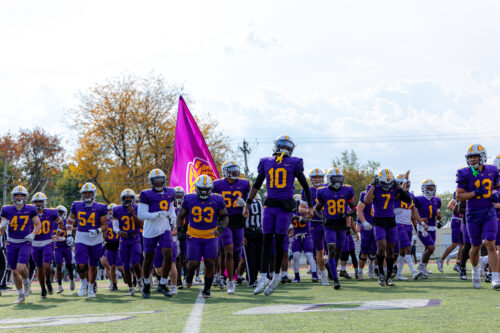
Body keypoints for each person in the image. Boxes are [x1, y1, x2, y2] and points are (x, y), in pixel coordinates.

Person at [243, 135, 313, 296]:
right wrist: (247, 204)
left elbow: (304, 186)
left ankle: (275, 276)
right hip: (271, 205)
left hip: (283, 206)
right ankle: (265, 277)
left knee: (278, 242)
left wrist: (310, 206)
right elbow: (257, 184)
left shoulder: (278, 162)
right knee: (267, 241)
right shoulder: (275, 162)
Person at [176, 175, 229, 298]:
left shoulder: (217, 199)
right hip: (194, 235)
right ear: (196, 188)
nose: (204, 192)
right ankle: (189, 275)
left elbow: (224, 217)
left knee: (210, 262)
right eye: (202, 189)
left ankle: (207, 289)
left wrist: (220, 229)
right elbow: (180, 216)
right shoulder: (189, 198)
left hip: (210, 236)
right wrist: (180, 230)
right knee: (193, 263)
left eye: (207, 189)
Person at [456, 144, 500, 289]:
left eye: (475, 157)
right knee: (475, 247)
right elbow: (459, 196)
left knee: (490, 244)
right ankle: (475, 272)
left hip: (488, 211)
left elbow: (496, 186)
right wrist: (475, 193)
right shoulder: (464, 173)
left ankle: (495, 278)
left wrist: (495, 194)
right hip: (473, 213)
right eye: (470, 158)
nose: (473, 160)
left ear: (482, 157)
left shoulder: (492, 170)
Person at [361, 169, 412, 287]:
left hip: (391, 221)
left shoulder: (393, 188)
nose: (387, 186)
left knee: (390, 249)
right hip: (378, 221)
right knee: (381, 247)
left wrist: (399, 186)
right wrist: (373, 185)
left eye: (389, 184)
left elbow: (407, 199)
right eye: (384, 183)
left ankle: (388, 276)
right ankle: (380, 274)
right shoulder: (374, 187)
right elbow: (367, 201)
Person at [314, 168, 357, 290]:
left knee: (338, 252)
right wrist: (323, 217)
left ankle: (331, 268)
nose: (338, 181)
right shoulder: (323, 191)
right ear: (330, 179)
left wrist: (347, 215)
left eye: (340, 179)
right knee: (331, 250)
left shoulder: (347, 190)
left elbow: (354, 208)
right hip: (330, 225)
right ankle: (336, 280)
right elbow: (316, 209)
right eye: (335, 179)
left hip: (341, 225)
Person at [213, 161, 250, 294]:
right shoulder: (216, 185)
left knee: (235, 252)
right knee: (227, 251)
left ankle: (230, 273)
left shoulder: (244, 184)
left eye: (236, 169)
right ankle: (229, 281)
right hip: (224, 220)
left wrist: (245, 204)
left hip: (238, 220)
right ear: (225, 171)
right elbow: (211, 202)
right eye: (232, 170)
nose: (235, 172)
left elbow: (249, 203)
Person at [138, 169, 176, 298]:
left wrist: (173, 217)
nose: (159, 182)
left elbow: (170, 208)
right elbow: (141, 214)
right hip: (150, 229)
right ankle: (147, 284)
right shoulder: (145, 194)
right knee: (148, 257)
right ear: (151, 182)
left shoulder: (170, 192)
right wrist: (158, 214)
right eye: (156, 180)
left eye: (161, 180)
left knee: (169, 254)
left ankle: (163, 283)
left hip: (164, 226)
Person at [0, 186, 41, 304]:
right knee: (14, 271)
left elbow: (38, 224)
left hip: (25, 242)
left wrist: (33, 234)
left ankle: (27, 281)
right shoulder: (6, 210)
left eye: (21, 195)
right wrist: (3, 225)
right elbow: (1, 232)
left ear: (25, 197)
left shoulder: (31, 209)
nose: (19, 197)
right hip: (11, 242)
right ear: (13, 196)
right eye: (17, 195)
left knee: (21, 267)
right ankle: (20, 295)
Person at [67, 183, 108, 298]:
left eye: (89, 193)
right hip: (81, 237)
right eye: (85, 193)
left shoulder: (101, 207)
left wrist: (98, 230)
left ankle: (91, 288)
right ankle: (83, 284)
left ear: (94, 194)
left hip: (95, 238)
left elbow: (105, 225)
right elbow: (70, 222)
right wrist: (69, 235)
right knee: (81, 264)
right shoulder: (76, 205)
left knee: (93, 265)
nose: (87, 195)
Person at [300, 168, 328, 285]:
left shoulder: (328, 189)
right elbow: (300, 209)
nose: (317, 179)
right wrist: (310, 210)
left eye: (319, 177)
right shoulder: (306, 190)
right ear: (311, 179)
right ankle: (323, 275)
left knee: (335, 248)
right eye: (315, 177)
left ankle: (329, 266)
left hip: (329, 222)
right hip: (315, 223)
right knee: (319, 251)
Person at [31, 192, 62, 298]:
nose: (38, 203)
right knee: (39, 268)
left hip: (47, 242)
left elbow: (61, 223)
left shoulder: (51, 212)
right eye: (36, 202)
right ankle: (43, 289)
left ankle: (48, 281)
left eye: (40, 201)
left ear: (44, 202)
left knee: (47, 265)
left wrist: (57, 235)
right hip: (35, 243)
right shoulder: (29, 213)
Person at [393, 175, 423, 281]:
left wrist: (421, 223)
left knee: (402, 251)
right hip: (398, 224)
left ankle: (399, 275)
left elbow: (414, 211)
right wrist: (404, 180)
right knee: (407, 248)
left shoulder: (411, 196)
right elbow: (401, 191)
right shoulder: (395, 194)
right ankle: (413, 272)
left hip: (408, 225)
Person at [414, 179, 442, 276]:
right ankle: (421, 267)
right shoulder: (418, 199)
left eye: (433, 187)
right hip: (422, 227)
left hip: (433, 227)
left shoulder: (437, 200)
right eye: (430, 187)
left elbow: (438, 214)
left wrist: (439, 219)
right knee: (431, 247)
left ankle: (423, 268)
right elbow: (412, 211)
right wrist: (420, 219)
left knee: (428, 249)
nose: (432, 189)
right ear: (424, 189)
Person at [291, 195, 317, 283]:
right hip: (296, 235)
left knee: (309, 255)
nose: (294, 205)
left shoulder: (305, 211)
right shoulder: (290, 212)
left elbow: (304, 220)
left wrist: (296, 217)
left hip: (306, 235)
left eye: (296, 203)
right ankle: (297, 276)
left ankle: (314, 275)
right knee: (295, 256)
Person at [439, 192, 463, 273]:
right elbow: (450, 205)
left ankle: (458, 263)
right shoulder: (460, 192)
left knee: (464, 244)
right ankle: (441, 259)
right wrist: (460, 213)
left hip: (463, 221)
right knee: (454, 243)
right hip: (457, 220)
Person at [54, 205, 75, 293]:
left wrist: (65, 239)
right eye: (57, 212)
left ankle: (71, 280)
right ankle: (59, 285)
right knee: (58, 266)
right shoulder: (53, 223)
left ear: (64, 214)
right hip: (57, 247)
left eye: (60, 213)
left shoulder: (67, 223)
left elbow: (72, 236)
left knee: (69, 265)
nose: (59, 214)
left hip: (66, 247)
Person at [243, 194, 263, 287]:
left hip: (249, 232)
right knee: (259, 257)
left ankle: (251, 280)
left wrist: (242, 235)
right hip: (260, 231)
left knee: (250, 258)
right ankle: (261, 279)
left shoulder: (245, 203)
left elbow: (241, 218)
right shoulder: (260, 203)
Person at [357, 185, 377, 280]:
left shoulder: (378, 198)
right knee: (364, 250)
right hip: (366, 227)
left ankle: (371, 268)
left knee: (374, 251)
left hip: (376, 227)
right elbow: (359, 211)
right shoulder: (364, 197)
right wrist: (362, 223)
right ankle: (360, 271)